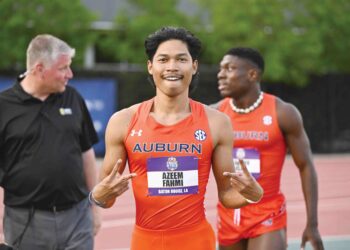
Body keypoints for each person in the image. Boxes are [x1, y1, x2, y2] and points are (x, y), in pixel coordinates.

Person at [90, 27, 264, 250]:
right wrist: (97, 196)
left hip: (196, 240)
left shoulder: (217, 123)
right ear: (151, 66)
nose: (172, 66)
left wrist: (253, 195)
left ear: (194, 66)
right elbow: (106, 196)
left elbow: (227, 195)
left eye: (181, 59)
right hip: (145, 241)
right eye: (163, 59)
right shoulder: (123, 121)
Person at [212, 47, 324, 250]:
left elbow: (306, 166)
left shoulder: (283, 112)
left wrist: (312, 224)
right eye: (221, 69)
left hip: (267, 211)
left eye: (229, 68)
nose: (220, 74)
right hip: (229, 212)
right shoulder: (215, 114)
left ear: (252, 74)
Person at [0, 34, 101, 249]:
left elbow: (87, 153)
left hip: (77, 216)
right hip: (25, 220)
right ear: (39, 69)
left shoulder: (73, 98)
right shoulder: (4, 106)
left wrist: (94, 206)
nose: (70, 74)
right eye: (63, 68)